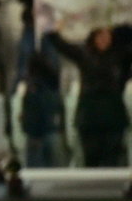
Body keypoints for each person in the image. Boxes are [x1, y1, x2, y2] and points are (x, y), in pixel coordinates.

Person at [45, 28, 131, 167]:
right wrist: (50, 30)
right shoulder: (84, 54)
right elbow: (63, 46)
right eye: (100, 36)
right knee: (91, 158)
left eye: (107, 36)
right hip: (90, 113)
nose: (104, 40)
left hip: (113, 113)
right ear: (94, 38)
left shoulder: (120, 56)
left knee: (113, 158)